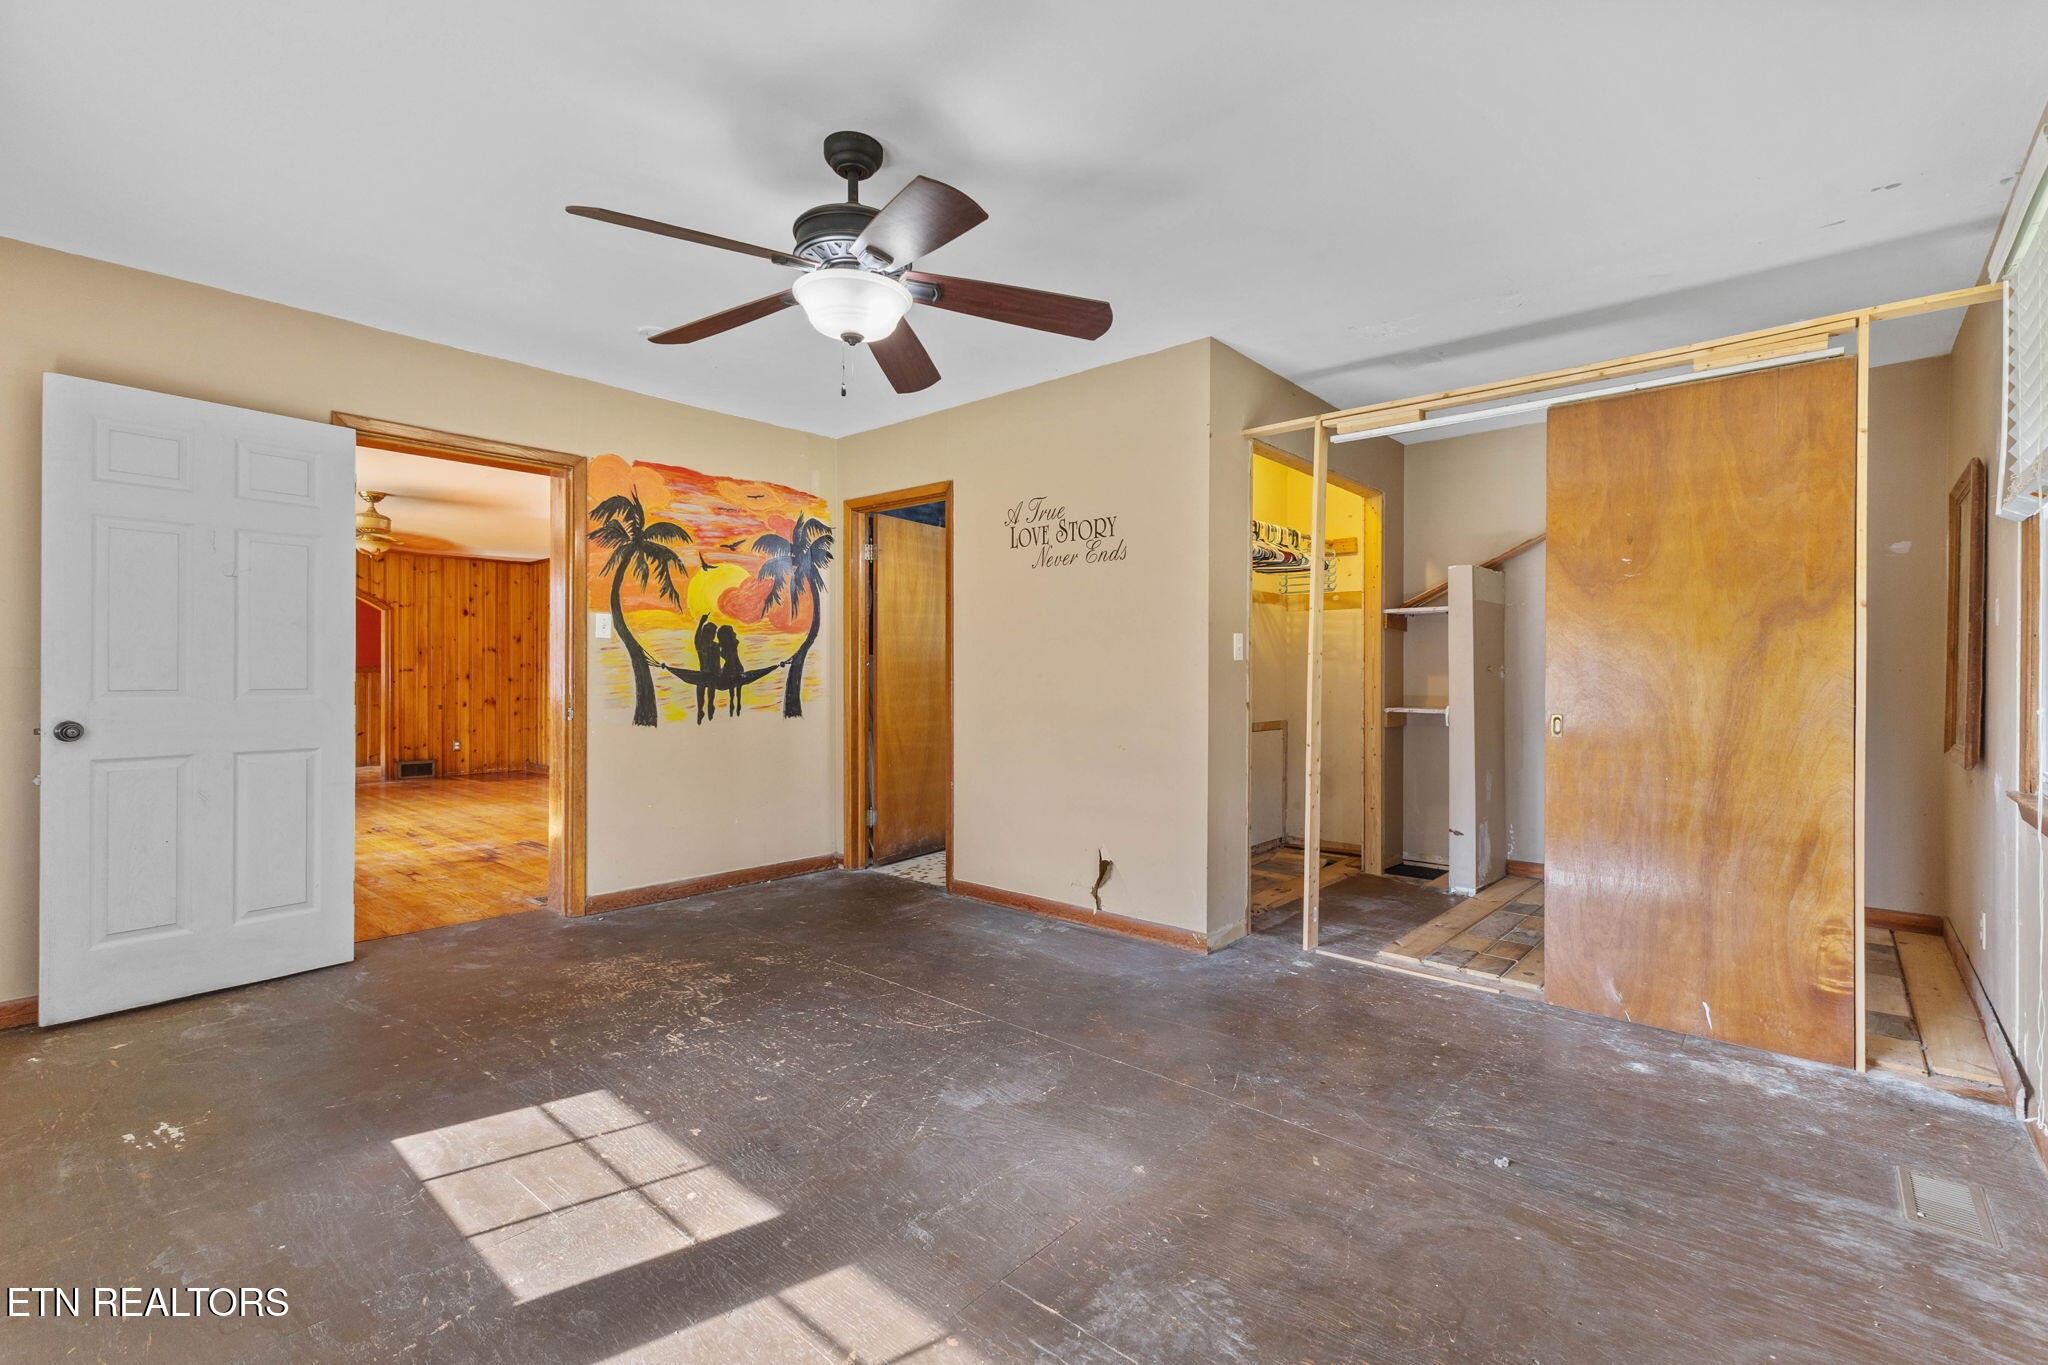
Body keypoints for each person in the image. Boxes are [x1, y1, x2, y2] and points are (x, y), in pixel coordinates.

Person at [693, 614, 718, 724]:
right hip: (704, 673)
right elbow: (697, 637)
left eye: (714, 633)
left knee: (710, 690)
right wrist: (701, 623)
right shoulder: (701, 645)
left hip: (713, 674)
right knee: (701, 689)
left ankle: (710, 705)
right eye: (713, 633)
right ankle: (700, 710)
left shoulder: (715, 645)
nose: (714, 635)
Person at [717, 624, 745, 716]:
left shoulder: (729, 645)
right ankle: (736, 704)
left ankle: (734, 704)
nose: (735, 634)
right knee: (735, 688)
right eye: (732, 632)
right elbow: (729, 657)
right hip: (735, 668)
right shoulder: (732, 644)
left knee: (733, 688)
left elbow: (728, 657)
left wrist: (719, 652)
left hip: (732, 668)